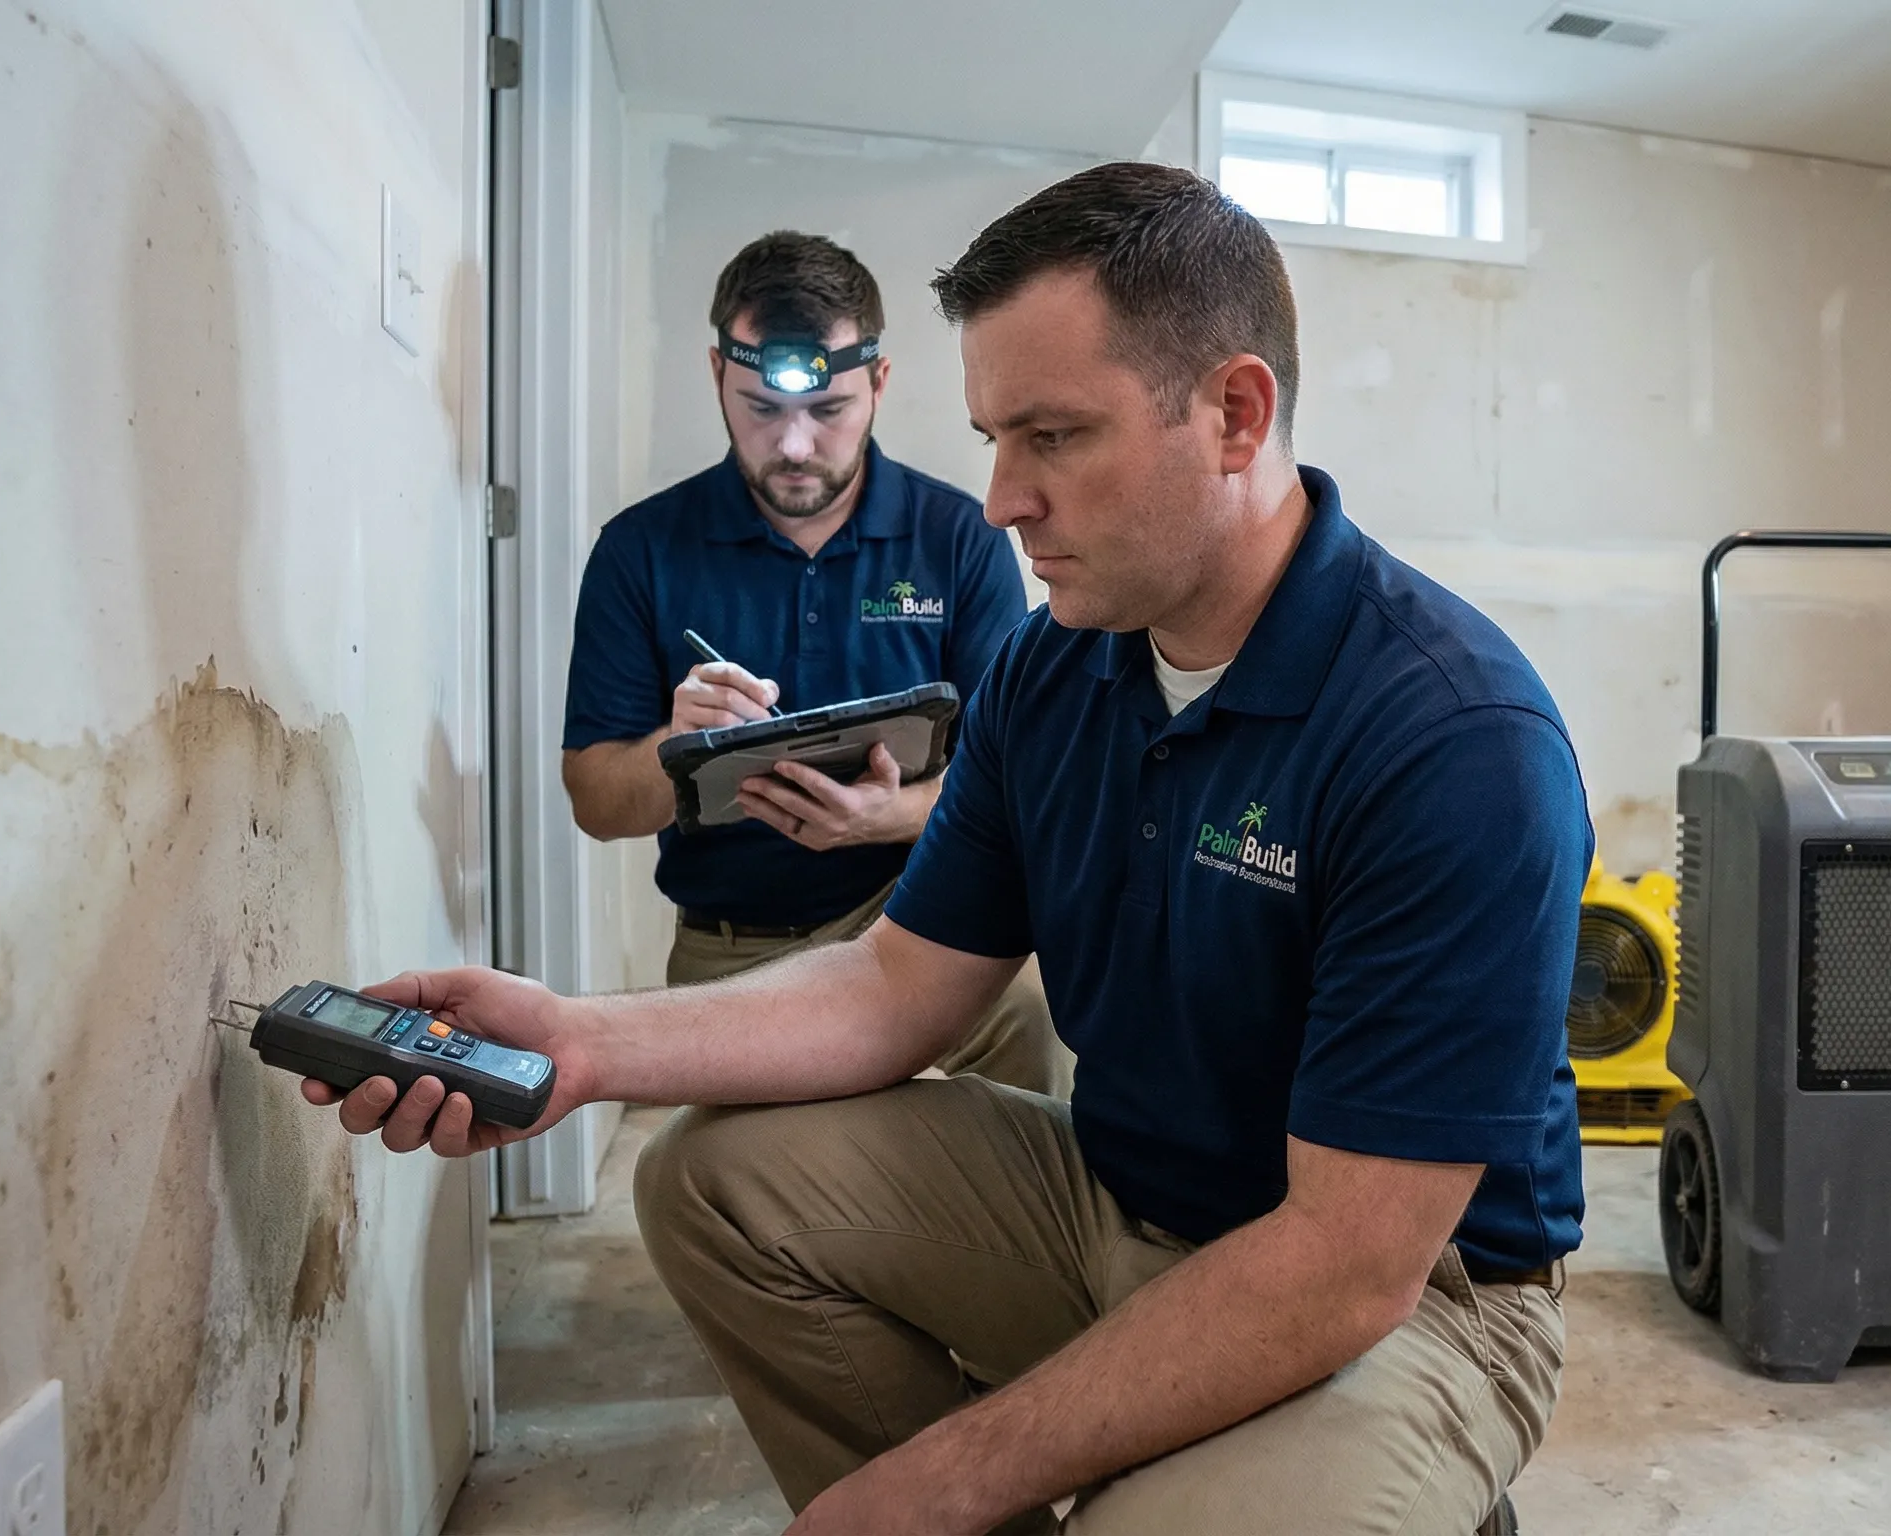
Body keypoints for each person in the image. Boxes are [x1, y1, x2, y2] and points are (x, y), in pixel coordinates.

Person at [318, 163, 1588, 1534]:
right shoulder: (1057, 673)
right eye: (992, 436)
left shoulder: (1452, 737)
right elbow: (889, 989)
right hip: (1123, 1196)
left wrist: (940, 1479)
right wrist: (579, 1041)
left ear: (1235, 413)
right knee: (710, 1182)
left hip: (1409, 1295)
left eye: (1053, 437)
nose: (999, 500)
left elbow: (1346, 1266)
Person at [558, 230, 1061, 1095]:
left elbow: (1015, 780)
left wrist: (882, 816)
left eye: (828, 411)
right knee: (722, 1185)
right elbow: (598, 804)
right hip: (733, 943)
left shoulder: (960, 540)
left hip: (918, 916)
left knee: (1034, 1021)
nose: (794, 446)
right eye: (762, 408)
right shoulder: (641, 550)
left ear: (879, 384)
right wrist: (674, 745)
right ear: (718, 373)